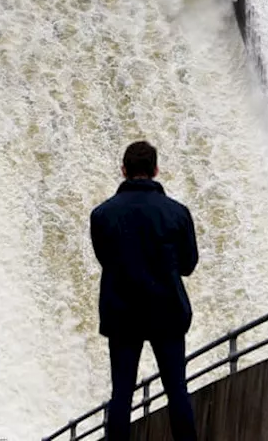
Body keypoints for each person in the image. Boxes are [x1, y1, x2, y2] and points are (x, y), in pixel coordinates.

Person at [90, 140, 199, 441]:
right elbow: (189, 264)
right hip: (167, 313)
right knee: (177, 391)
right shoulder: (177, 213)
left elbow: (105, 259)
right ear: (156, 170)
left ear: (123, 171)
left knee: (122, 396)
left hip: (123, 314)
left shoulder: (101, 215)